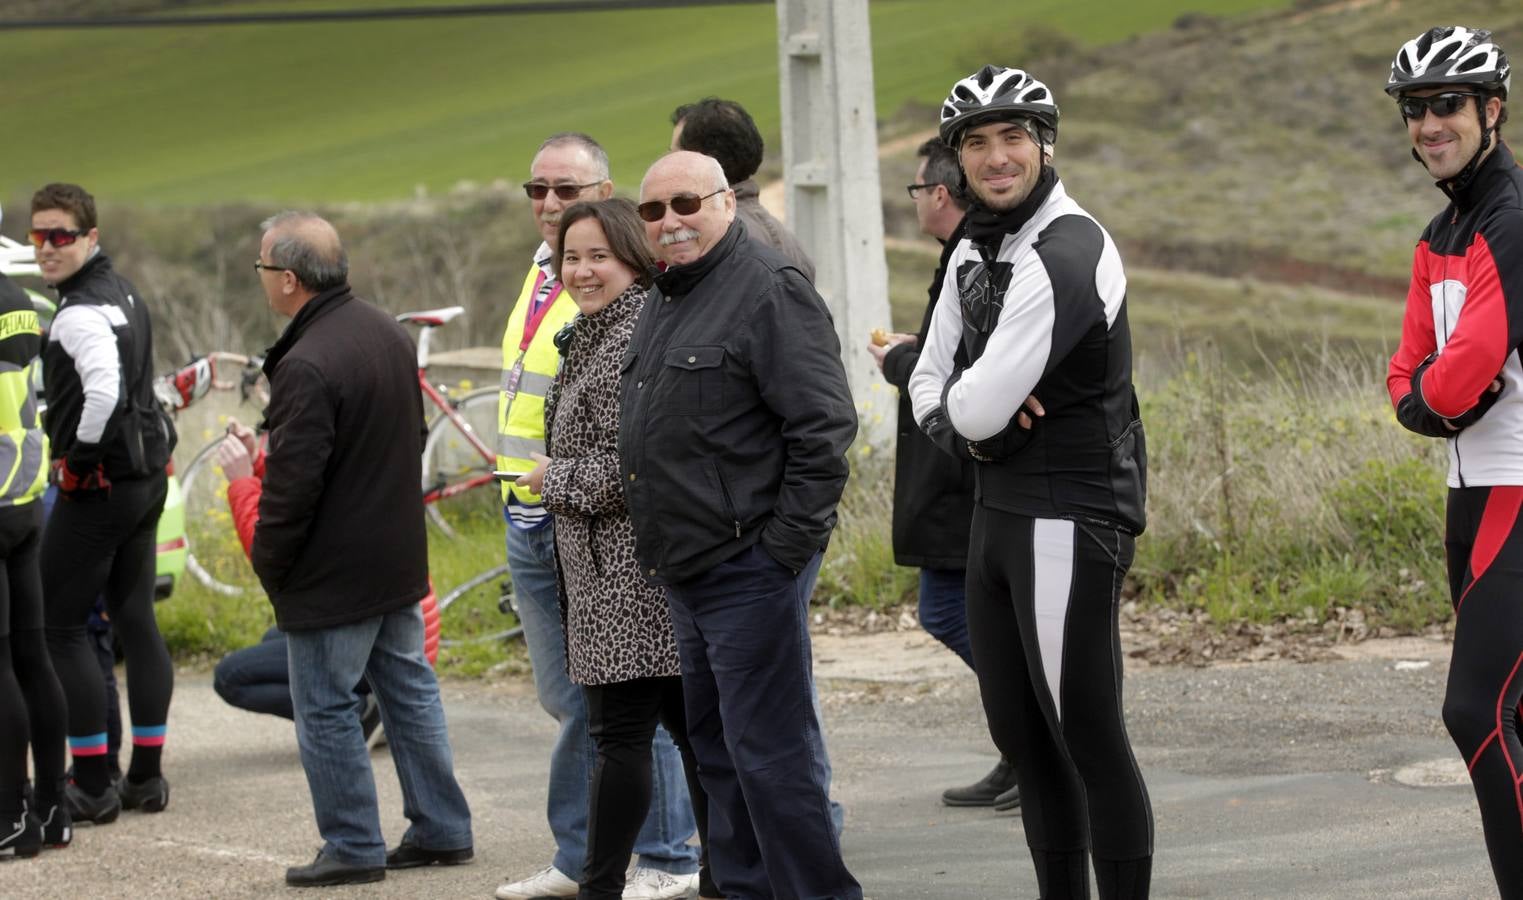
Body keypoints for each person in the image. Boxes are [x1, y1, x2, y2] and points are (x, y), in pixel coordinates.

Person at [908, 66, 1153, 897]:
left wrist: (961, 414)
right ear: (957, 159)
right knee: (1023, 739)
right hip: (997, 515)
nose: (995, 156)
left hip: (1069, 517)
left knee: (1085, 734)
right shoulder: (976, 244)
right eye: (975, 142)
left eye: (1012, 137)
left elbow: (968, 408)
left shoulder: (1068, 247)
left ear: (1043, 145)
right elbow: (928, 385)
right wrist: (961, 416)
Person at [621, 150, 861, 899]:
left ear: (727, 203)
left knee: (770, 758)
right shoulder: (667, 295)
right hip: (685, 569)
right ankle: (746, 890)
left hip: (745, 568)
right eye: (653, 211)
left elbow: (823, 431)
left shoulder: (766, 290)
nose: (670, 222)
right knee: (718, 753)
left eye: (686, 204)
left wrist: (780, 553)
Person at [494, 133, 700, 900]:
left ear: (634, 259)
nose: (579, 270)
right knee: (684, 734)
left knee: (625, 738)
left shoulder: (633, 338)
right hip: (594, 567)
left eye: (595, 258)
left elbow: (641, 466)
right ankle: (718, 874)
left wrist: (556, 481)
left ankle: (628, 875)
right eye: (570, 259)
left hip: (631, 576)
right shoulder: (592, 327)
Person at [249, 212, 472, 887]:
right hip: (396, 556)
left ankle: (351, 842)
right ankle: (441, 827)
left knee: (325, 707)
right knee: (409, 693)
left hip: (333, 571)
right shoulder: (383, 331)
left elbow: (292, 486)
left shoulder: (310, 361)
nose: (260, 279)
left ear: (288, 280)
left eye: (262, 268)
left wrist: (270, 560)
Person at [1383, 26, 1523, 898]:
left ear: (1490, 110)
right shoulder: (1441, 229)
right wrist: (1430, 396)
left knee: (1474, 712)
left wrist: (1434, 394)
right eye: (1414, 108)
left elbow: (1466, 364)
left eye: (1447, 105)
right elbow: (1409, 372)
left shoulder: (1512, 218)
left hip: (1516, 483)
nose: (1429, 123)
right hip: (1466, 488)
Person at [868, 137, 1020, 811]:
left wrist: (900, 365)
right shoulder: (964, 259)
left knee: (950, 612)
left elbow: (974, 374)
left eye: (914, 189)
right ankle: (1021, 749)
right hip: (952, 472)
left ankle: (1036, 738)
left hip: (963, 476)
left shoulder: (979, 263)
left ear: (937, 193)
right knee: (966, 615)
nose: (915, 201)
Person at [33, 182, 177, 825]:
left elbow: (103, 394)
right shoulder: (123, 292)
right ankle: (145, 776)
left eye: (61, 235)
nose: (47, 248)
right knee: (134, 615)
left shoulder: (76, 313)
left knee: (59, 626)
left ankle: (91, 782)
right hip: (147, 475)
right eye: (38, 236)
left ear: (90, 237)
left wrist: (78, 464)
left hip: (104, 483)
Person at [0, 201, 69, 858]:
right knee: (34, 657)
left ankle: (8, 816)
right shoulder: (20, 299)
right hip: (25, 498)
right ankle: (53, 806)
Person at [671, 97, 816, 283]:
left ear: (703, 161)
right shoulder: (790, 244)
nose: (669, 165)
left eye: (675, 155)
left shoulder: (715, 241)